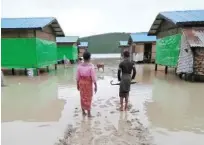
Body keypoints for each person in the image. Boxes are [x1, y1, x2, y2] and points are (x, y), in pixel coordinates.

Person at [76, 52, 97, 117]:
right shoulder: (91, 66)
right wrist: (96, 85)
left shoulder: (79, 66)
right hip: (88, 83)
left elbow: (77, 77)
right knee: (88, 97)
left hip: (81, 83)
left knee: (82, 97)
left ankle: (83, 112)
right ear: (89, 58)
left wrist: (77, 85)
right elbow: (93, 77)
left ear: (84, 58)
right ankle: (89, 113)